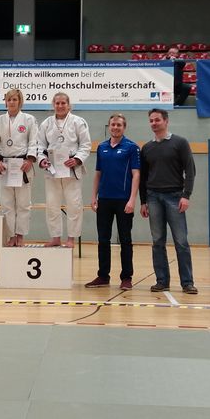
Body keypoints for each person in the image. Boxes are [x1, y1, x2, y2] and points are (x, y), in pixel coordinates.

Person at [140, 108, 197, 294]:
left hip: (175, 197)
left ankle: (187, 282)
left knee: (181, 242)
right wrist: (143, 201)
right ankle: (162, 281)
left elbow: (190, 170)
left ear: (166, 121)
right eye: (151, 121)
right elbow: (143, 177)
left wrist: (186, 195)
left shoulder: (180, 143)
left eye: (157, 120)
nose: (154, 123)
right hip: (153, 198)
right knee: (157, 241)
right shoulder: (147, 148)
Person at [86, 113, 140, 290]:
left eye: (119, 125)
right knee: (103, 239)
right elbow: (98, 174)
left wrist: (132, 199)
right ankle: (103, 276)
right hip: (104, 200)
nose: (116, 127)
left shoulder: (131, 147)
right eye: (113, 125)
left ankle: (126, 277)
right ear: (109, 126)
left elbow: (136, 174)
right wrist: (94, 196)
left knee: (125, 239)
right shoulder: (102, 148)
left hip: (123, 200)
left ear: (124, 127)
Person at [38, 92, 91, 249]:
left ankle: (71, 239)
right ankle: (55, 237)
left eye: (63, 103)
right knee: (52, 204)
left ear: (69, 105)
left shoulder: (78, 122)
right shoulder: (46, 123)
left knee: (74, 204)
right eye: (57, 103)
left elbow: (86, 145)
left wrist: (77, 159)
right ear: (53, 105)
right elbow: (39, 146)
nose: (60, 106)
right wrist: (42, 160)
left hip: (72, 169)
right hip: (52, 170)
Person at [0, 89, 38, 247]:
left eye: (15, 99)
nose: (12, 102)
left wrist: (30, 159)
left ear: (20, 101)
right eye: (9, 100)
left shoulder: (29, 120)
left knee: (23, 204)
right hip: (5, 167)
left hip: (23, 166)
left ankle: (20, 235)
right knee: (7, 204)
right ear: (5, 102)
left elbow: (34, 141)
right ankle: (10, 236)